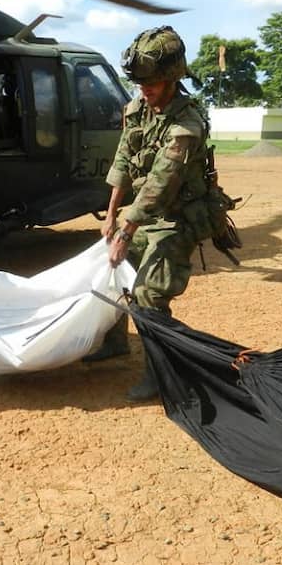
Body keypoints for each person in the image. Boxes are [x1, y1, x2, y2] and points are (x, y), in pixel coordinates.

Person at [83, 26, 217, 402]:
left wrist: (126, 233)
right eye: (140, 82)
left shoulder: (185, 126)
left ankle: (162, 373)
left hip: (176, 219)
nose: (145, 89)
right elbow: (124, 160)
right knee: (108, 268)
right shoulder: (137, 108)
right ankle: (114, 343)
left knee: (147, 294)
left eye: (153, 83)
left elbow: (160, 183)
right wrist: (111, 217)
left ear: (173, 78)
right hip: (143, 214)